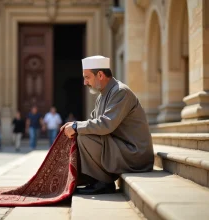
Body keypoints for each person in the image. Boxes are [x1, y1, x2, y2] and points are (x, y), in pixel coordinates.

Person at [61, 55, 154, 194]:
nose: (85, 82)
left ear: (100, 75)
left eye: (87, 77)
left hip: (135, 154)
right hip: (119, 147)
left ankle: (103, 182)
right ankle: (92, 179)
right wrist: (74, 125)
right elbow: (91, 122)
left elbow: (105, 125)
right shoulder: (102, 95)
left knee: (83, 137)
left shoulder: (120, 92)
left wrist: (76, 127)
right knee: (81, 132)